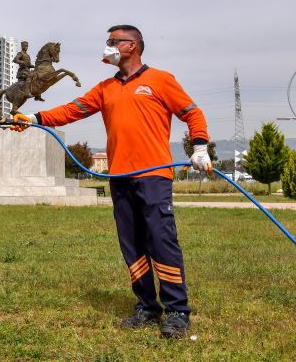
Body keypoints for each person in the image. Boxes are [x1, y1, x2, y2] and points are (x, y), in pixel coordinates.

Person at [11, 24, 212, 339]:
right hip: (118, 176)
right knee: (131, 245)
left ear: (131, 45)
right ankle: (147, 307)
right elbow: (73, 110)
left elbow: (192, 113)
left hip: (154, 177)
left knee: (161, 241)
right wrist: (35, 118)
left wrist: (200, 146)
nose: (107, 46)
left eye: (112, 41)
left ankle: (177, 311)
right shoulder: (105, 88)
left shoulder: (160, 80)